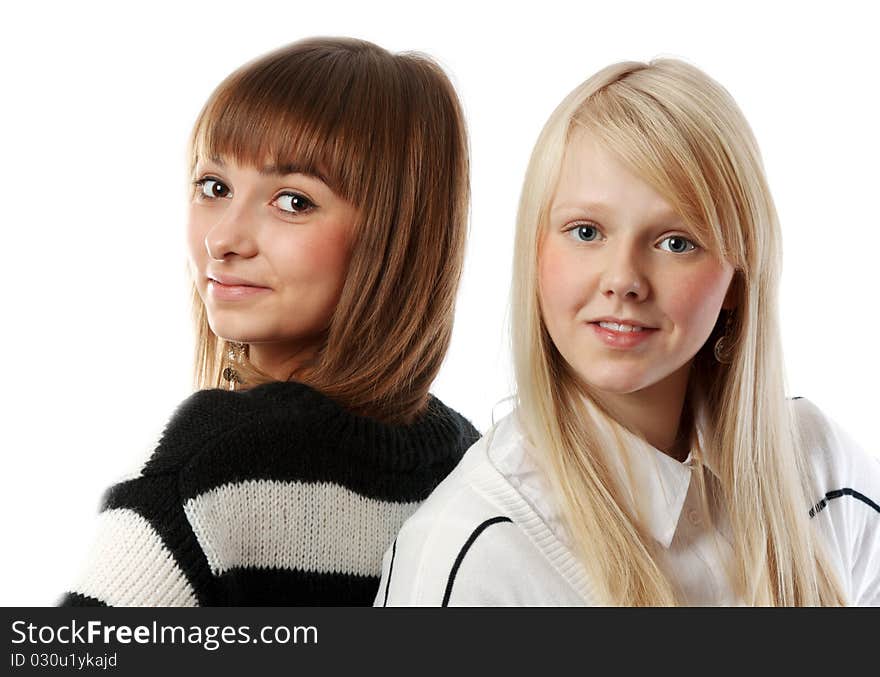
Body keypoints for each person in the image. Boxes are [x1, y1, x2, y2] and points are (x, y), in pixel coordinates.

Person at [377, 59, 880, 606]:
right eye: (586, 231)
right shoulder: (476, 550)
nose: (623, 280)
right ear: (535, 249)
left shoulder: (822, 470)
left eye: (675, 242)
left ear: (738, 277)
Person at [60, 37, 478, 606]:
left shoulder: (205, 475)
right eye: (215, 187)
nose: (222, 238)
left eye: (293, 201)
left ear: (398, 236)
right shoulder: (473, 466)